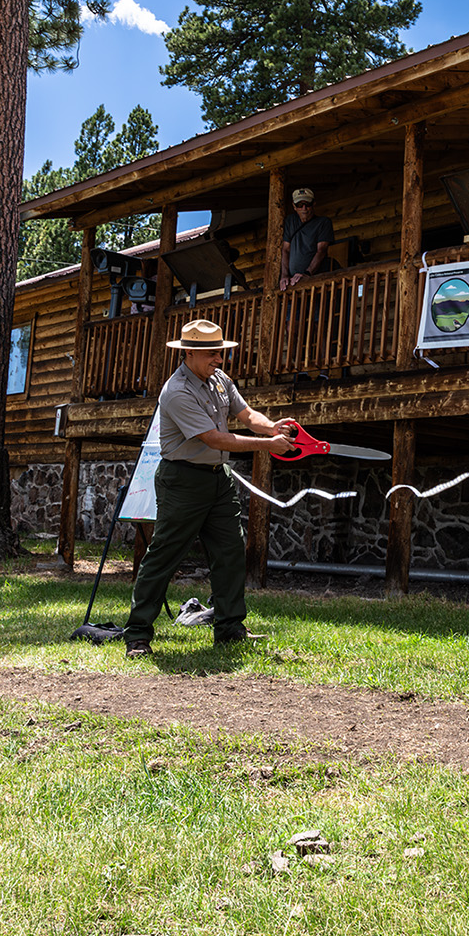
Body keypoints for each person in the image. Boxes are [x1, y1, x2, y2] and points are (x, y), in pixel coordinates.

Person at [123, 319, 294, 657]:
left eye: (220, 352)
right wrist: (267, 446)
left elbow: (246, 414)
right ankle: (138, 635)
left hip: (218, 477)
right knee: (164, 557)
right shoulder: (176, 391)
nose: (219, 359)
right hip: (182, 481)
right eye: (212, 354)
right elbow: (213, 438)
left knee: (231, 552)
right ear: (189, 353)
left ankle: (230, 628)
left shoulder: (220, 380)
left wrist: (271, 426)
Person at [280, 187, 334, 290]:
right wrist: (284, 275)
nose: (304, 208)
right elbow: (285, 249)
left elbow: (321, 250)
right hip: (291, 283)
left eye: (307, 204)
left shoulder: (323, 223)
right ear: (294, 206)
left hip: (314, 281)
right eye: (300, 205)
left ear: (313, 204)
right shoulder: (290, 221)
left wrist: (307, 273)